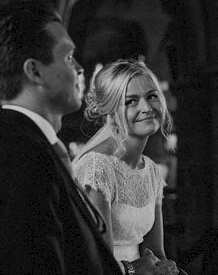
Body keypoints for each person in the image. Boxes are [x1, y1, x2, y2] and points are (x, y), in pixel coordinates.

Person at [0, 1, 170, 274]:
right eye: (68, 56)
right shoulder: (19, 160)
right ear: (35, 71)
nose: (80, 68)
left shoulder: (34, 150)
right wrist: (133, 271)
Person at [72, 59, 180, 275]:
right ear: (110, 110)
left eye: (152, 96)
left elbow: (156, 252)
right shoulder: (97, 167)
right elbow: (98, 264)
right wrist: (134, 270)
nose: (146, 108)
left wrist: (170, 269)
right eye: (131, 101)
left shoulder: (150, 171)